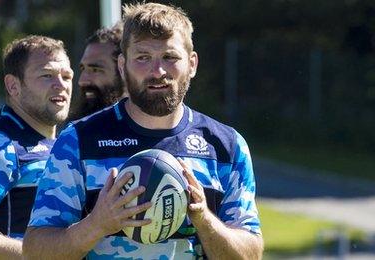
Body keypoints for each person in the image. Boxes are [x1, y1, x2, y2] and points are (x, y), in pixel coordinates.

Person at [23, 3, 263, 259]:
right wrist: (97, 224)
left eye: (170, 58)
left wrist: (204, 220)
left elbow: (250, 254)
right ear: (122, 65)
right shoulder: (79, 140)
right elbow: (35, 251)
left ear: (192, 64)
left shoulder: (226, 146)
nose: (157, 72)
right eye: (143, 58)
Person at [0, 35, 72, 259]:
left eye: (66, 76)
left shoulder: (65, 146)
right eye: (47, 75)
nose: (61, 85)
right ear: (13, 86)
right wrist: (35, 256)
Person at [69, 25, 125, 120]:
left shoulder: (153, 127)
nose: (82, 81)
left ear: (124, 70)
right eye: (83, 69)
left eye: (95, 70)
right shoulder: (73, 132)